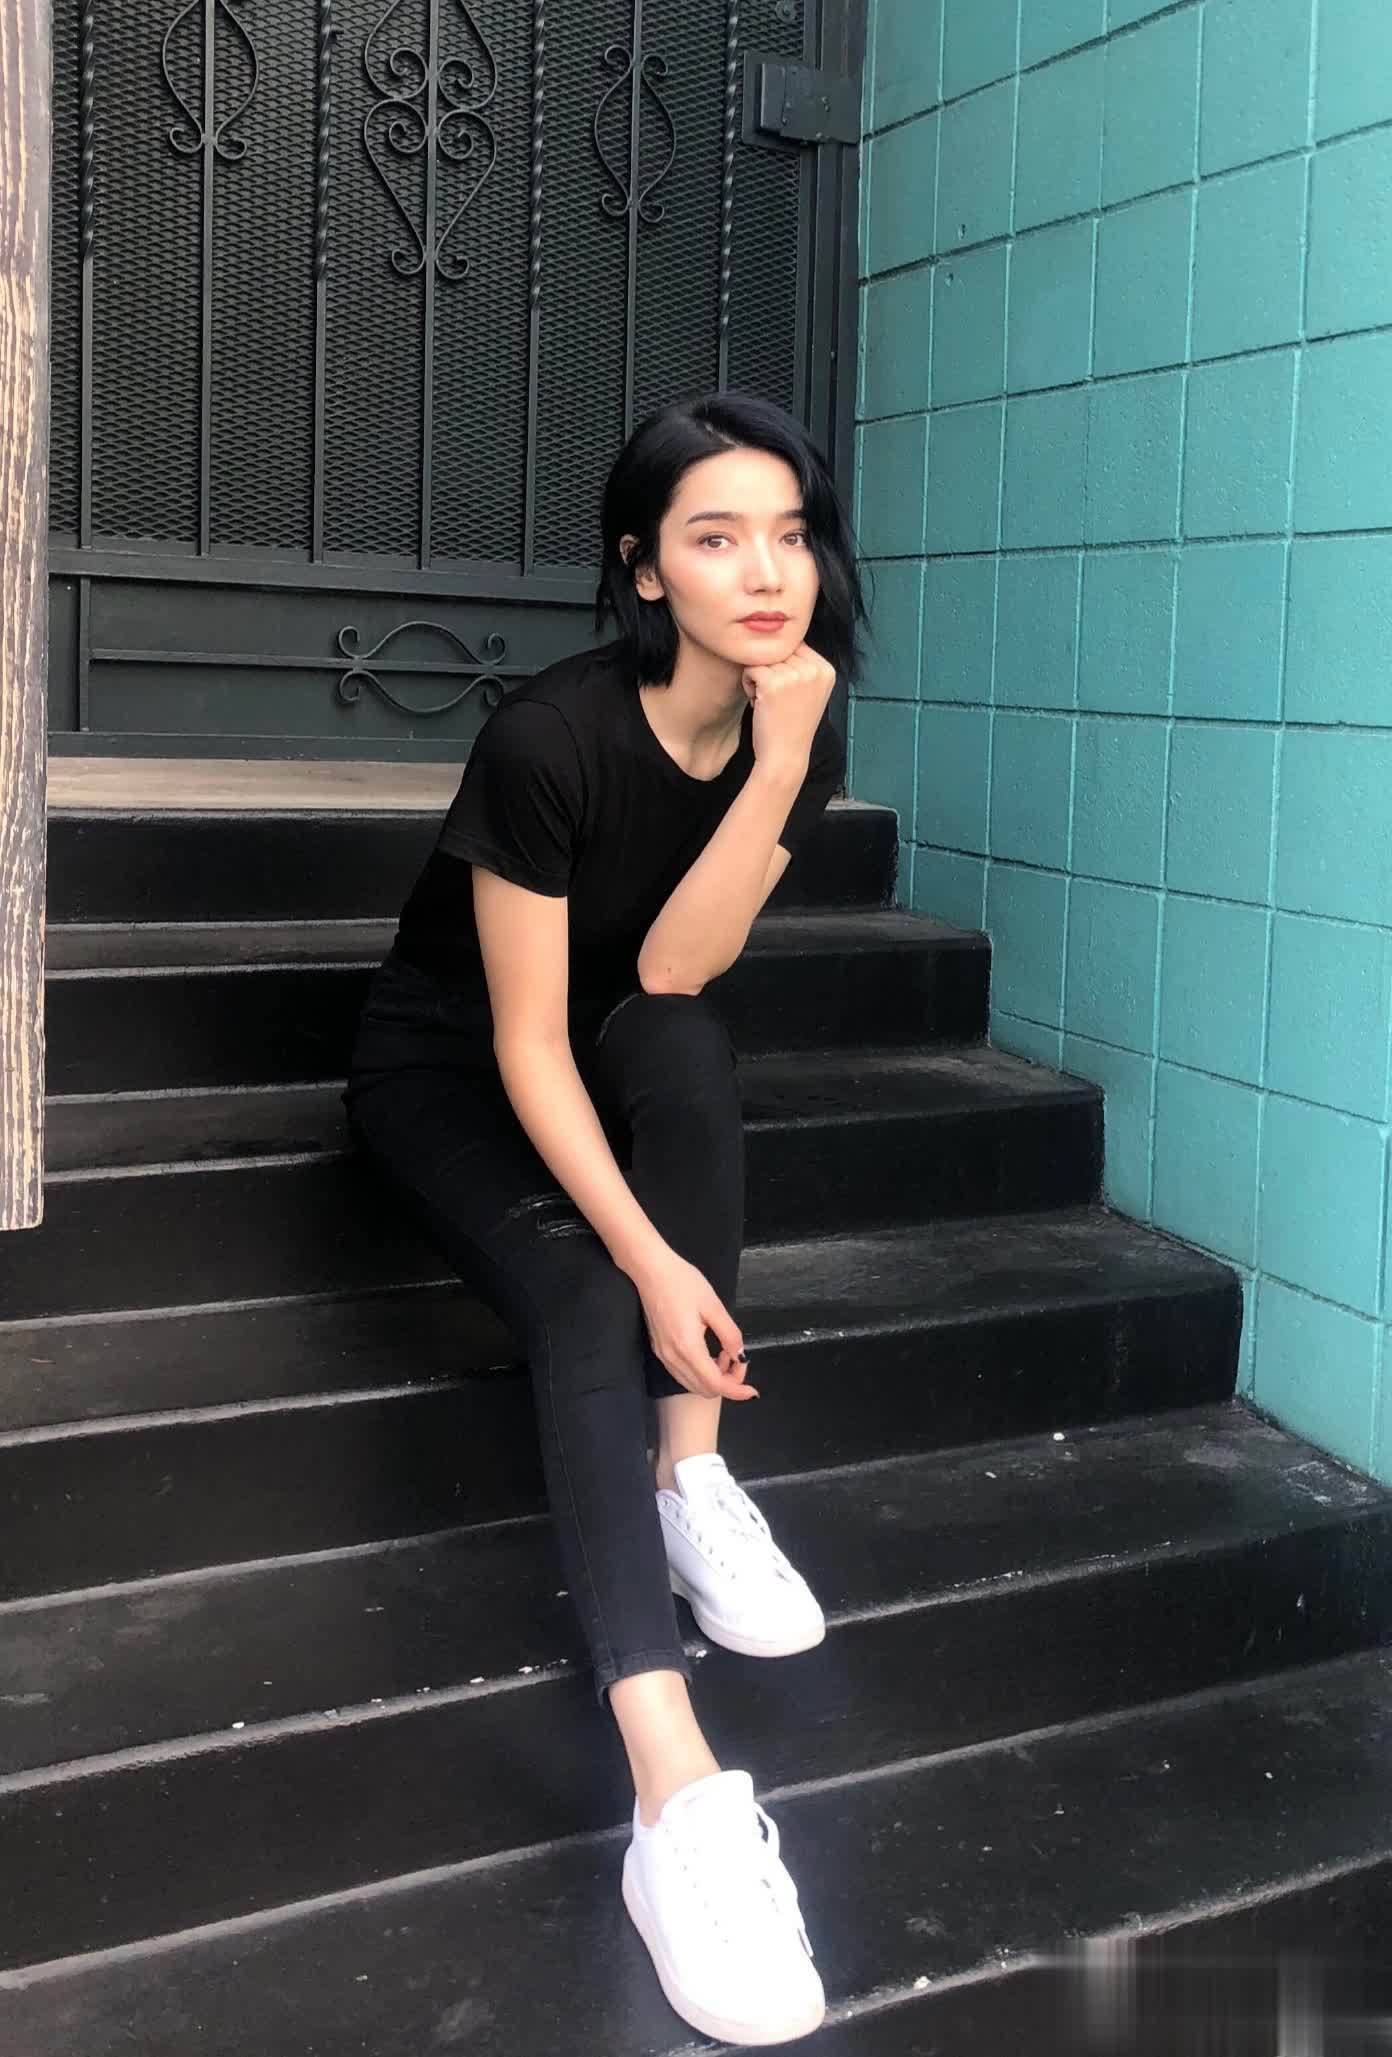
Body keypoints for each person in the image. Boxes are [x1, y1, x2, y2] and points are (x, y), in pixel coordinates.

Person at [341, 388, 868, 2045]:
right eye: (716, 537)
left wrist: (778, 765)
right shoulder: (549, 738)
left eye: (789, 533)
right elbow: (522, 1038)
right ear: (644, 569)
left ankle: (689, 1473)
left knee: (691, 1043)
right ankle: (676, 1794)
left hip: (619, 1033)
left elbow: (672, 971)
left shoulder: (799, 723)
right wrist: (645, 1260)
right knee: (579, 1299)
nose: (765, 572)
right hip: (454, 1068)